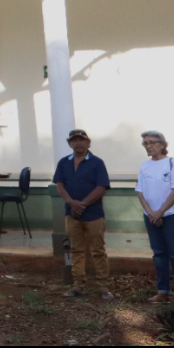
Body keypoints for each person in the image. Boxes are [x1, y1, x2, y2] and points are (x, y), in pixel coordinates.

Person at [52, 129, 113, 301]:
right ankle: (78, 286)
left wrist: (82, 204)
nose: (78, 143)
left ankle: (103, 287)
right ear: (70, 143)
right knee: (76, 250)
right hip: (71, 215)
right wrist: (72, 203)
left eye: (81, 140)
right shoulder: (64, 163)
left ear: (88, 143)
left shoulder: (97, 163)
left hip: (94, 215)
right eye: (74, 140)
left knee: (98, 251)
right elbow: (60, 185)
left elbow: (101, 187)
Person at [136, 130, 174, 302]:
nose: (149, 146)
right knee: (159, 254)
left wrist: (160, 212)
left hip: (172, 216)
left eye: (152, 142)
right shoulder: (145, 166)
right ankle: (163, 291)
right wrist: (151, 213)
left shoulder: (173, 163)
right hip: (151, 217)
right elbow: (140, 192)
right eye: (145, 143)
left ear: (162, 144)